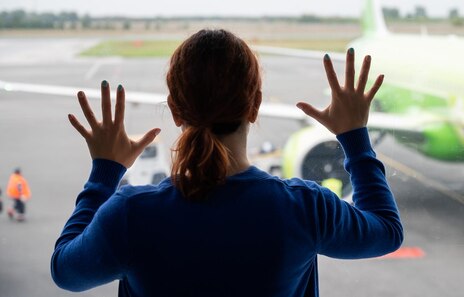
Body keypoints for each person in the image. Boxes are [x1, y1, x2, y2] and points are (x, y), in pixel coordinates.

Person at [50, 29, 402, 296]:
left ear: (174, 110)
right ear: (255, 105)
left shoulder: (131, 215)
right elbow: (387, 231)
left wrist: (105, 172)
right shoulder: (303, 208)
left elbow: (65, 271)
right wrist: (354, 135)